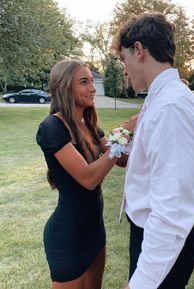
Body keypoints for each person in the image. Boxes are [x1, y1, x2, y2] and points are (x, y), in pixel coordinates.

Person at [112, 12, 194, 289]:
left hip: (164, 245)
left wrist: (141, 283)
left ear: (139, 50)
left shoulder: (170, 107)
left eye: (124, 59)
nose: (124, 68)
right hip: (154, 238)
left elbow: (172, 211)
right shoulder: (161, 98)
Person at [36, 59, 133, 289]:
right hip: (67, 237)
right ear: (64, 87)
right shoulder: (51, 128)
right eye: (84, 82)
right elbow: (89, 179)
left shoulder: (89, 124)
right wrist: (123, 135)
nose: (92, 88)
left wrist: (129, 138)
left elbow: (120, 159)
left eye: (92, 81)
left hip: (94, 231)